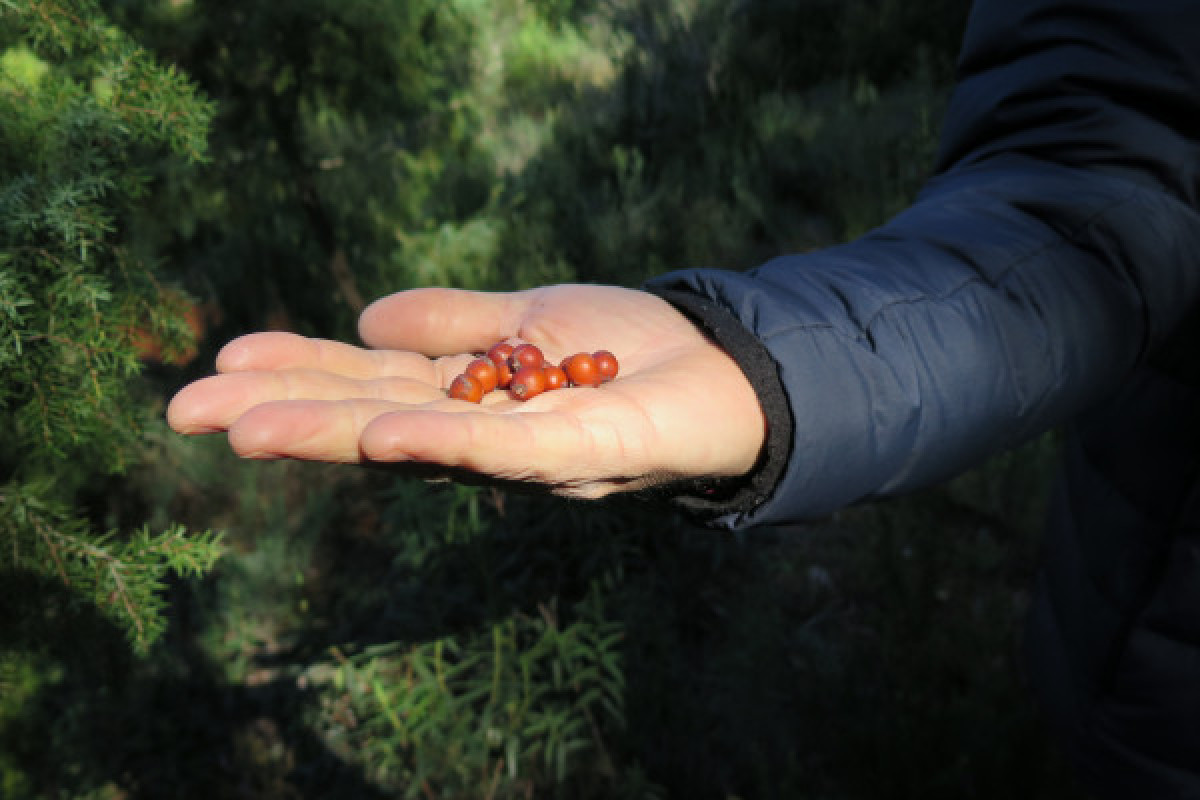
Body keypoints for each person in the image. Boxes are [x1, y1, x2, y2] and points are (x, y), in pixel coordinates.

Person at [167, 0, 1200, 796]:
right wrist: (765, 358)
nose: (510, 376)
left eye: (510, 374)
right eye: (513, 376)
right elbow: (1101, 177)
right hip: (1157, 680)